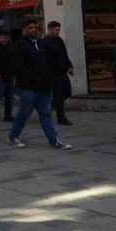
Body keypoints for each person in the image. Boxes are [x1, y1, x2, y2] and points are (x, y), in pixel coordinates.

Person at [7, 16, 71, 150]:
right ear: (24, 29)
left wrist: (50, 77)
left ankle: (54, 140)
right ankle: (13, 136)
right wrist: (34, 77)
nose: (34, 30)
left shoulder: (41, 43)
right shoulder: (19, 45)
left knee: (46, 113)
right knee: (24, 113)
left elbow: (49, 62)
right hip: (28, 87)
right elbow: (18, 67)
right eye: (30, 28)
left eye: (35, 27)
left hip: (44, 86)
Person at [41, 21, 74, 126]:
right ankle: (61, 118)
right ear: (50, 29)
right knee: (59, 95)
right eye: (56, 30)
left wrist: (69, 66)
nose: (58, 32)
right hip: (53, 74)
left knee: (67, 91)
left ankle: (52, 105)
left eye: (59, 30)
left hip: (62, 72)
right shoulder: (44, 43)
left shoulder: (59, 40)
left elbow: (64, 54)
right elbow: (43, 60)